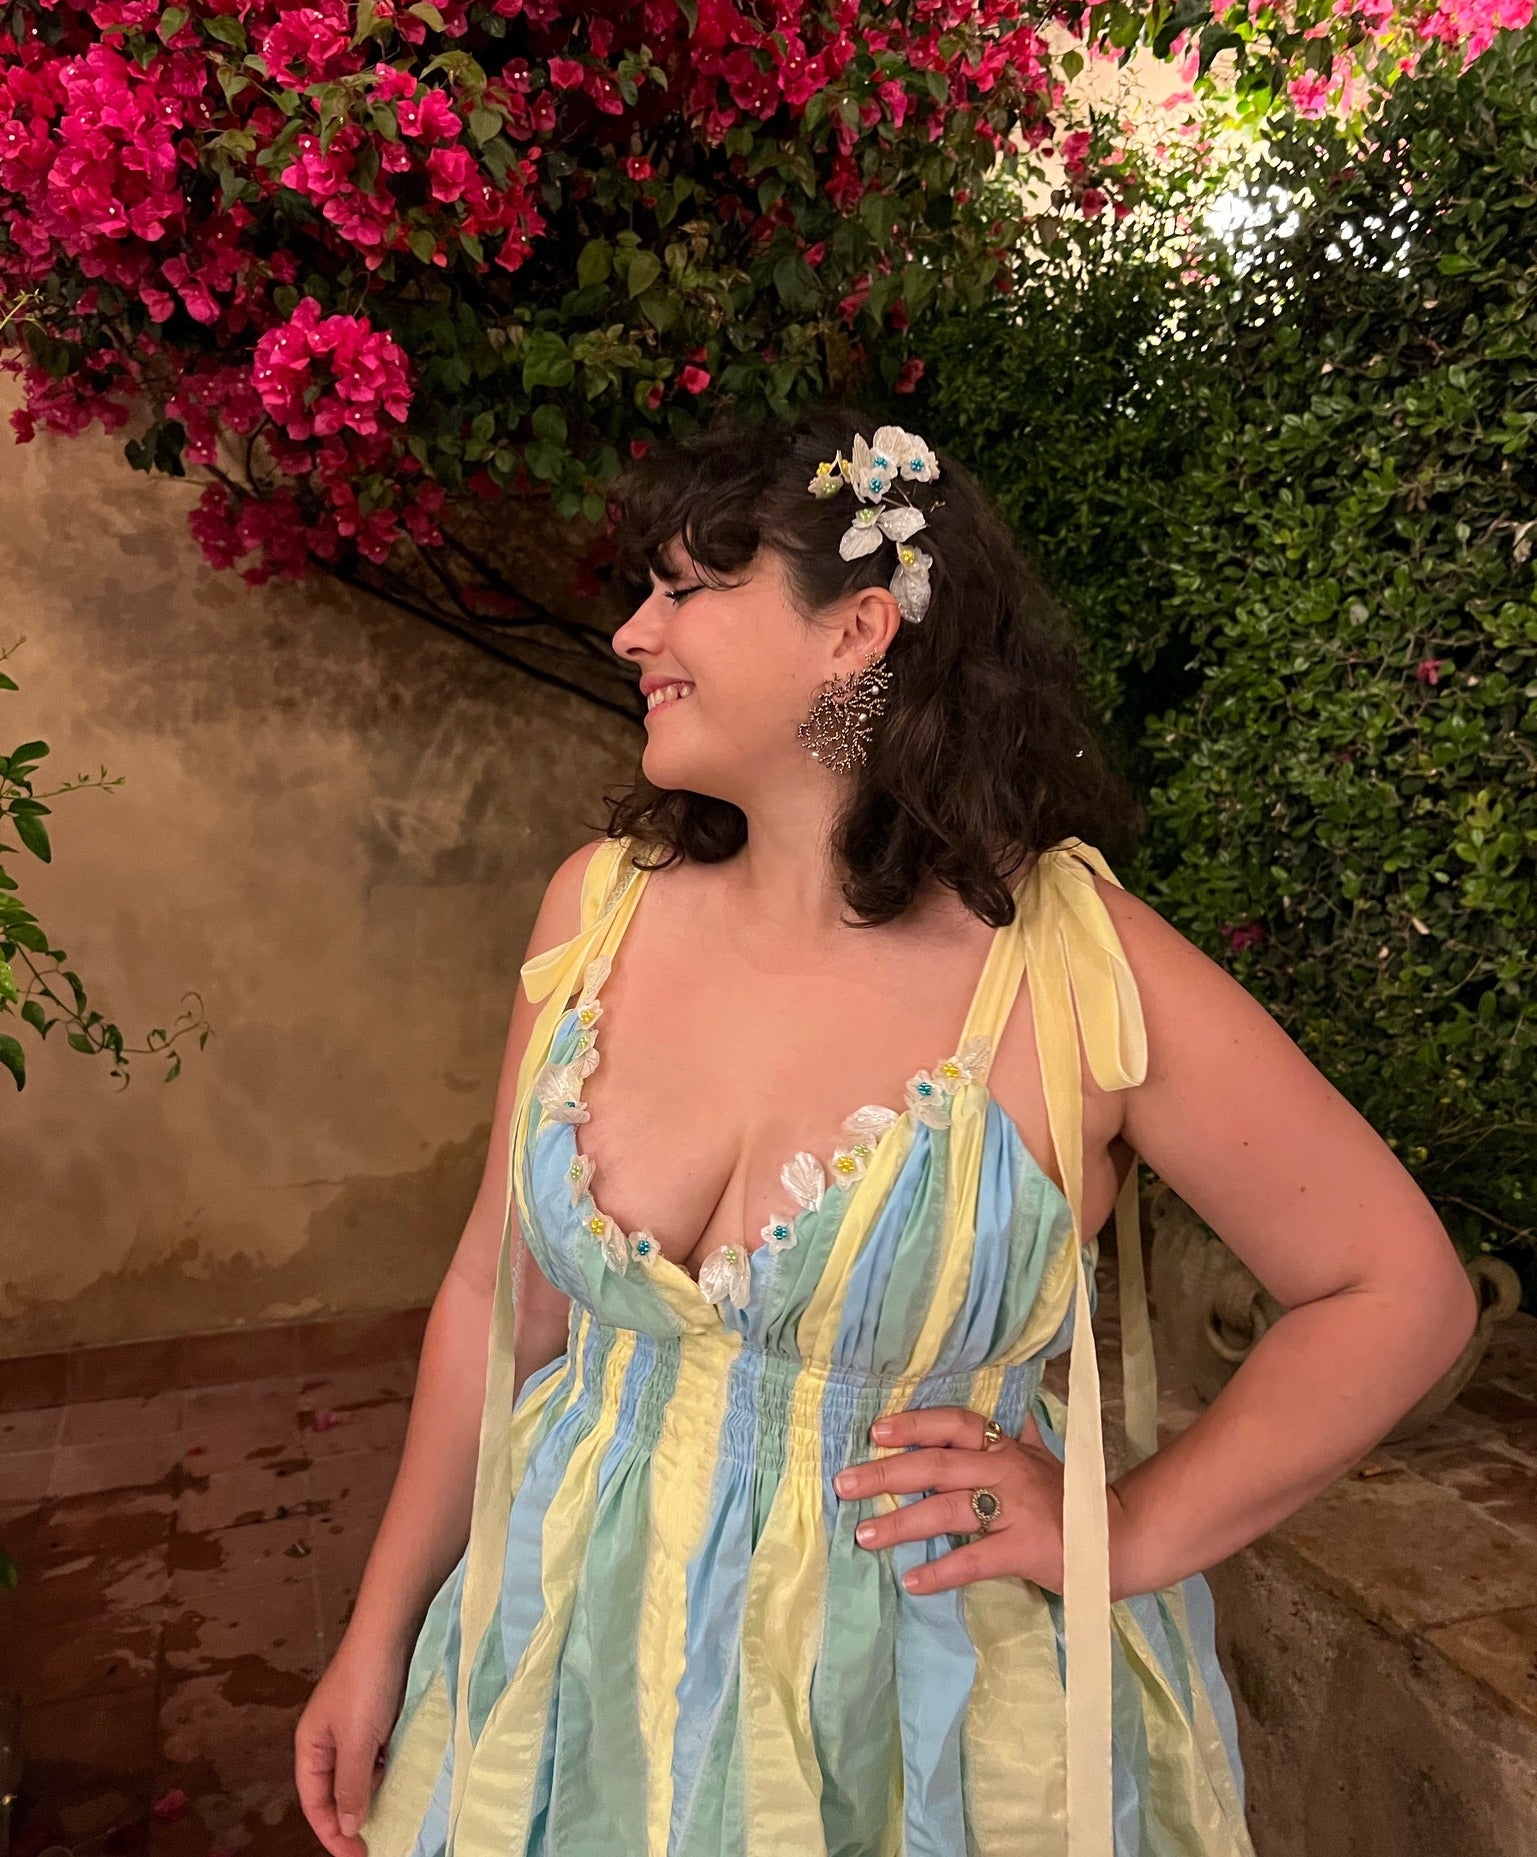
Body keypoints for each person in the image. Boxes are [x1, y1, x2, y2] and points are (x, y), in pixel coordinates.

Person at [295, 403, 1478, 1857]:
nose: (629, 633)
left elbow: (1394, 1290)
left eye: (684, 589)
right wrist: (381, 1630)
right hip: (566, 1663)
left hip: (926, 1719)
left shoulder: (1071, 969)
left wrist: (1128, 1527)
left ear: (857, 629)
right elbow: (499, 1292)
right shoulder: (596, 907)